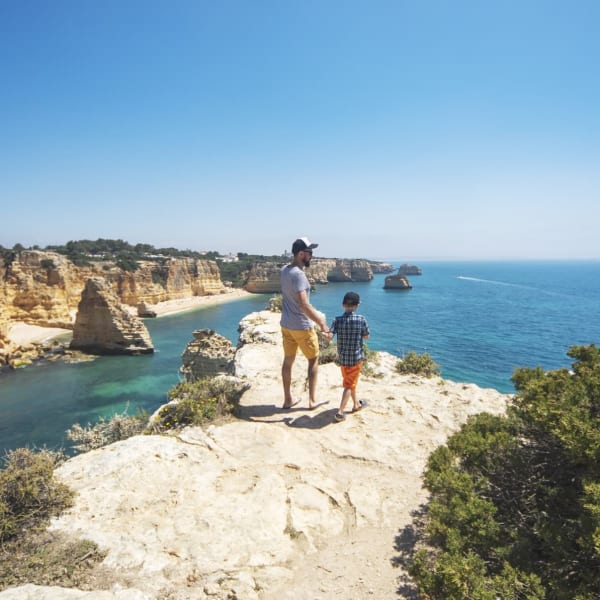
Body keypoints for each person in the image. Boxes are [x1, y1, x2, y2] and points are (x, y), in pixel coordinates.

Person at [280, 237, 330, 409]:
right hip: (301, 326)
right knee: (313, 359)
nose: (311, 256)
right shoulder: (299, 275)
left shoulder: (284, 270)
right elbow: (303, 304)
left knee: (288, 360)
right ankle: (312, 401)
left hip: (286, 324)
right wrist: (322, 324)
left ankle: (288, 399)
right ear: (301, 254)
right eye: (309, 253)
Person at [329, 291, 370, 422]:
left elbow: (329, 336)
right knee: (349, 385)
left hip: (342, 359)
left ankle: (356, 404)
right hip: (356, 359)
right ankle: (340, 412)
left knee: (350, 382)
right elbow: (366, 337)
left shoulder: (337, 320)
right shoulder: (361, 319)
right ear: (357, 305)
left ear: (343, 304)